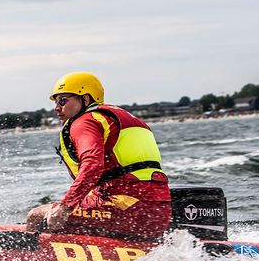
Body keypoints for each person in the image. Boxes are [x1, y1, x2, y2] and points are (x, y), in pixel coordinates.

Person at [26, 72, 171, 241]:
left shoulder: (85, 121)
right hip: (157, 214)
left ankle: (32, 260)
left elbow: (93, 164)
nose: (56, 107)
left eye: (62, 100)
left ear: (85, 99)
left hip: (127, 208)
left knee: (36, 216)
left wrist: (65, 207)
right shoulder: (126, 119)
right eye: (56, 102)